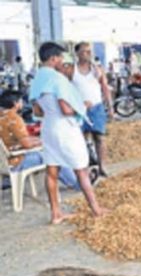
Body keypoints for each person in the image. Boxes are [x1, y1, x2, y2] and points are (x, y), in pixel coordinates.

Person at [28, 42, 106, 224]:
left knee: (52, 171)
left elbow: (38, 112)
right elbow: (65, 108)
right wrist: (83, 107)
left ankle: (56, 214)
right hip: (65, 128)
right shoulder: (57, 79)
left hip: (48, 127)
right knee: (81, 170)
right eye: (61, 58)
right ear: (54, 58)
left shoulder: (37, 79)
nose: (63, 61)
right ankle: (96, 210)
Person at [0, 90, 80, 192]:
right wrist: (42, 141)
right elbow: (27, 144)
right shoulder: (14, 118)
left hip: (3, 162)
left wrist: (37, 140)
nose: (22, 103)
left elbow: (20, 140)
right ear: (16, 103)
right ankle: (75, 184)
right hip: (15, 162)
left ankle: (72, 180)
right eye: (21, 101)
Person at [65, 42, 113, 178]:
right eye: (84, 51)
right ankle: (84, 168)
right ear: (77, 54)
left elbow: (105, 88)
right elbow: (63, 89)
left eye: (89, 51)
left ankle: (102, 166)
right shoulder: (70, 70)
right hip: (79, 109)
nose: (87, 54)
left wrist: (110, 107)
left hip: (96, 108)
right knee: (81, 139)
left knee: (100, 137)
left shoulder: (97, 70)